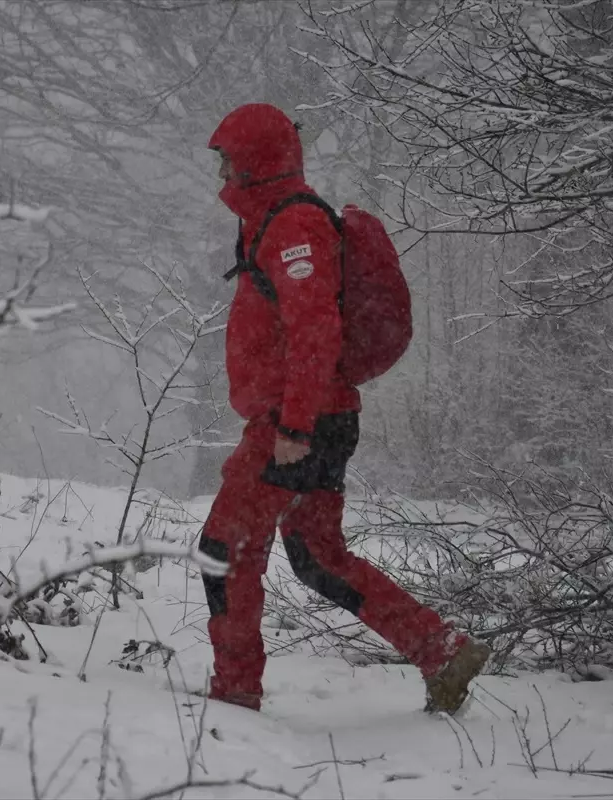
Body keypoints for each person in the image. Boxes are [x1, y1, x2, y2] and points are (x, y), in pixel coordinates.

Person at [197, 102, 490, 714]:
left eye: (227, 160)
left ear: (253, 161)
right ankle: (440, 650)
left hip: (295, 423)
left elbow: (315, 331)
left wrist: (294, 426)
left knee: (226, 547)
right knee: (319, 557)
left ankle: (234, 691)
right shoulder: (271, 221)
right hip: (314, 417)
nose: (221, 173)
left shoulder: (294, 226)